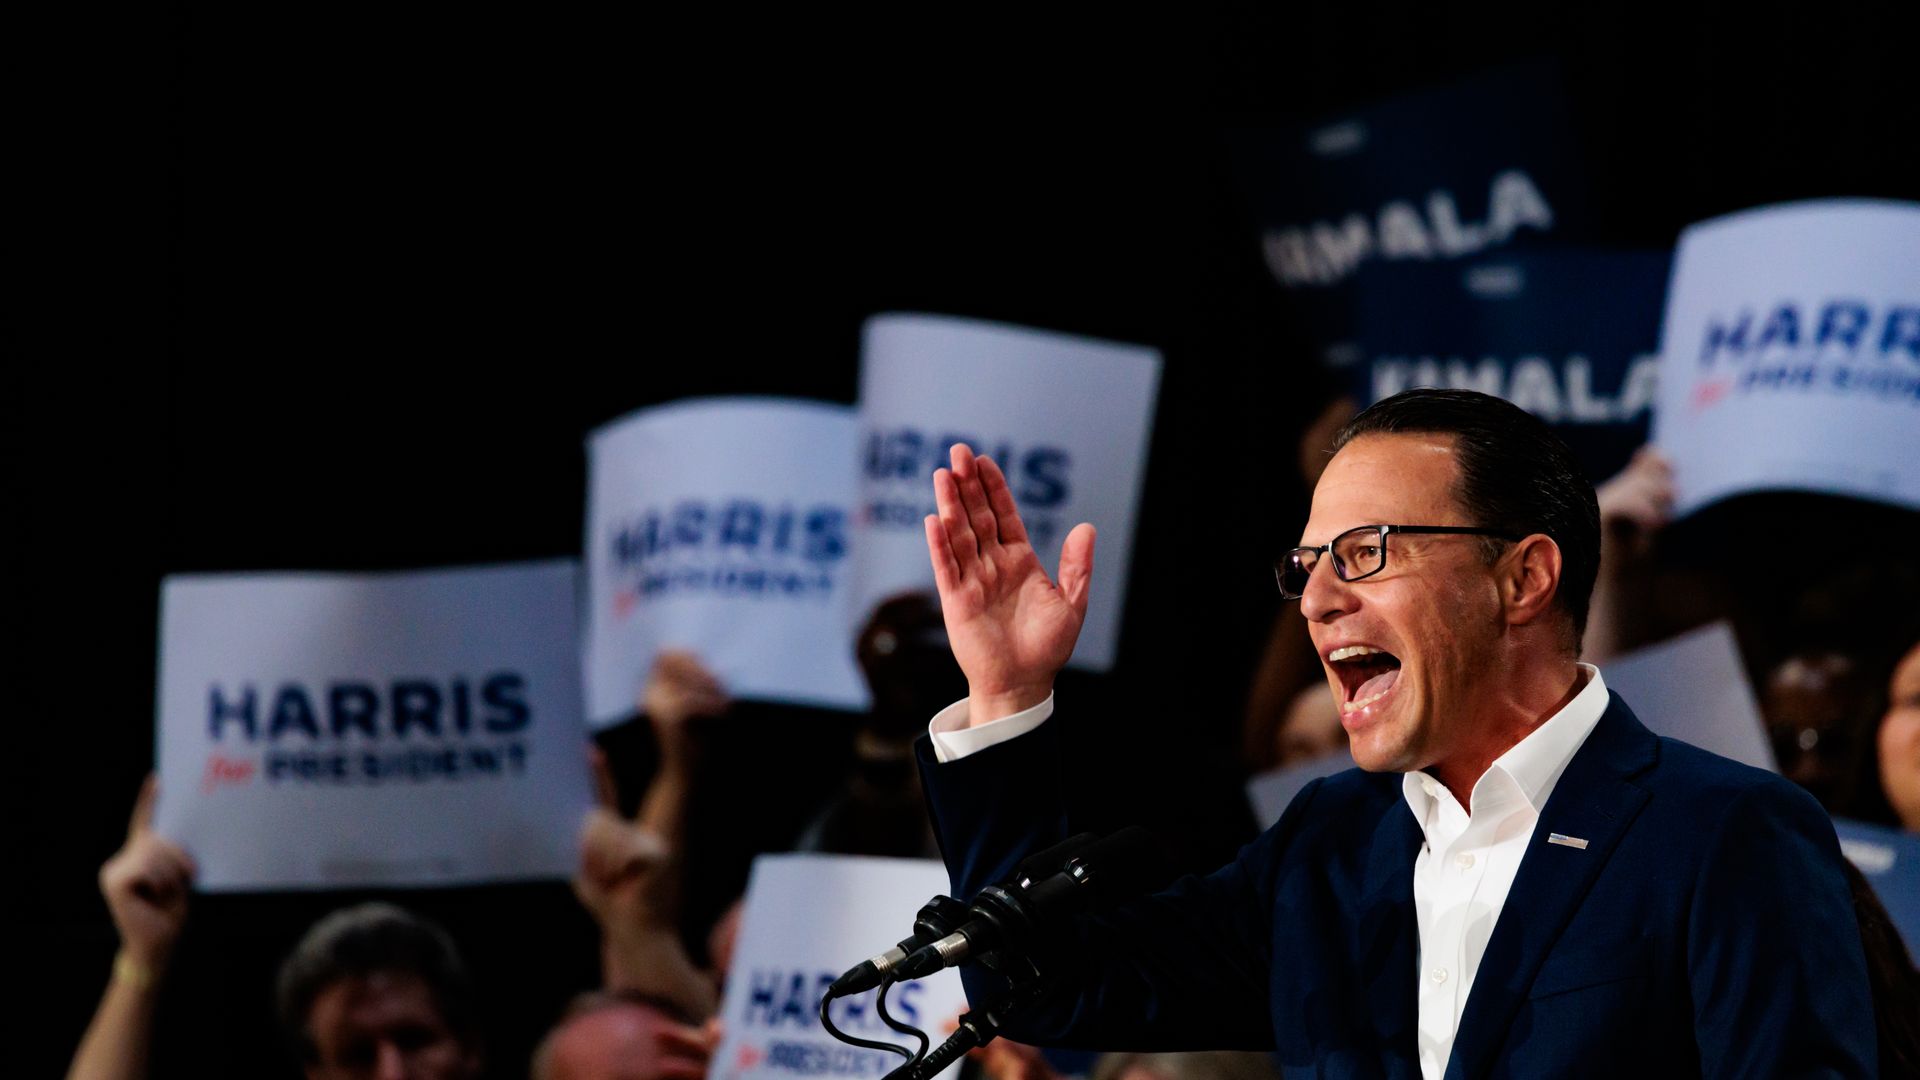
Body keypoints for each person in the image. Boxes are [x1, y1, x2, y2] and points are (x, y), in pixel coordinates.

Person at [912, 389, 1875, 1077]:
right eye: (1307, 566)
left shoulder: (1723, 833)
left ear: (1523, 579)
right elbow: (1051, 989)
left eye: (1365, 553)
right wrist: (1006, 691)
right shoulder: (1329, 844)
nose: (1317, 601)